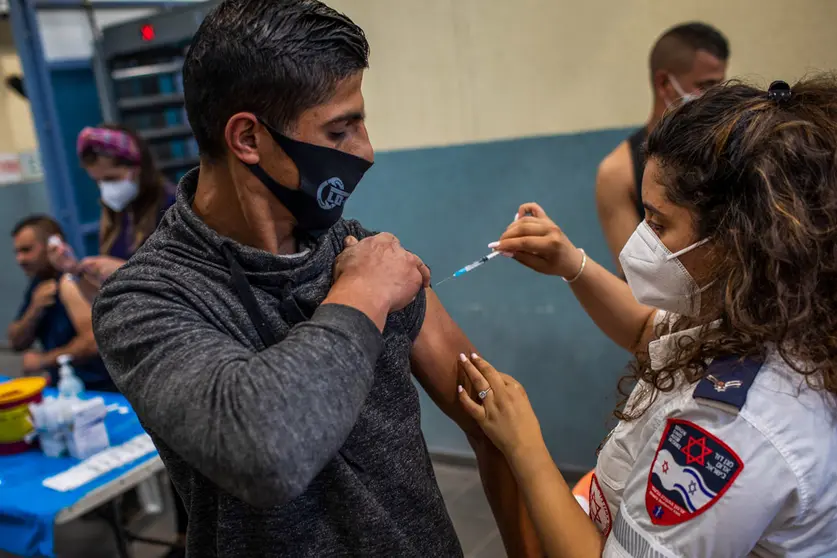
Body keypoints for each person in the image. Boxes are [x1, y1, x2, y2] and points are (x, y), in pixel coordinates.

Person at [91, 1, 540, 556]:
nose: (365, 151)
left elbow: (492, 419)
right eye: (339, 130)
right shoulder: (146, 299)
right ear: (248, 139)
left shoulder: (360, 250)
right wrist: (364, 294)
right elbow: (267, 454)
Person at [464, 78, 837, 557]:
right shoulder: (768, 311)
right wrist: (571, 264)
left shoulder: (733, 430)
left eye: (659, 222)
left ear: (740, 241)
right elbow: (650, 332)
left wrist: (524, 445)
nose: (642, 238)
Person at [596, 22, 729, 275]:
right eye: (706, 85)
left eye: (721, 84)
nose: (717, 96)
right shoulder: (617, 173)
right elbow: (637, 279)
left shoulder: (727, 149)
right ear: (665, 83)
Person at [48, 125, 176, 297]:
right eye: (98, 182)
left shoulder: (174, 208)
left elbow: (189, 282)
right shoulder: (116, 218)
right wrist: (75, 271)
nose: (106, 189)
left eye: (111, 178)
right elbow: (104, 302)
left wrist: (124, 271)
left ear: (137, 169)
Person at [7, 215, 115, 392]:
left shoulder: (70, 282)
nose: (20, 259)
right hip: (68, 389)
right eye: (17, 252)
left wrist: (44, 360)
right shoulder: (38, 285)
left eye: (27, 250)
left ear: (52, 244)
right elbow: (16, 342)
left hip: (99, 390)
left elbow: (94, 342)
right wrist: (34, 310)